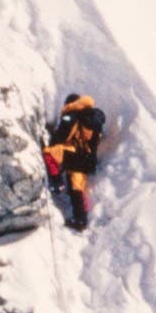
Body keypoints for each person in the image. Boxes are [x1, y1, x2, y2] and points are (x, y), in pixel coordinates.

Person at [43, 93, 106, 232]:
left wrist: (53, 140)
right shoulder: (92, 117)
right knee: (76, 187)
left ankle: (56, 183)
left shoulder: (72, 115)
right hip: (89, 159)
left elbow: (62, 138)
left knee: (49, 152)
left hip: (76, 154)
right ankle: (80, 220)